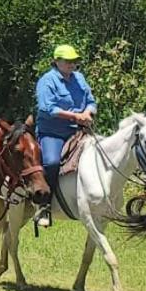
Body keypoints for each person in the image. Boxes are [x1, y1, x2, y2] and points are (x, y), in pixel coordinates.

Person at [35, 43, 97, 198]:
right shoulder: (47, 81)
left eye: (74, 61)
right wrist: (76, 117)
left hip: (78, 132)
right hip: (52, 133)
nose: (72, 64)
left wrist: (88, 112)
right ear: (56, 61)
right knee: (51, 162)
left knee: (99, 155)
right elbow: (48, 108)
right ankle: (45, 202)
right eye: (68, 61)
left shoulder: (80, 78)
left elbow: (91, 101)